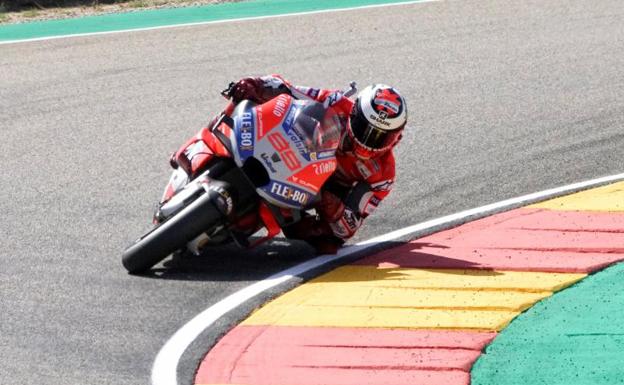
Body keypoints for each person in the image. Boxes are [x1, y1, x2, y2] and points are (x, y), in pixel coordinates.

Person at [227, 75, 407, 254]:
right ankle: (212, 140)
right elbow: (286, 89)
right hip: (292, 153)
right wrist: (254, 85)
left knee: (328, 242)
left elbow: (350, 225)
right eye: (363, 127)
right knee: (244, 102)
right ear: (354, 113)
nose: (369, 141)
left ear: (397, 137)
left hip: (316, 194)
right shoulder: (335, 102)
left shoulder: (383, 175)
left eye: (381, 136)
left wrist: (331, 205)